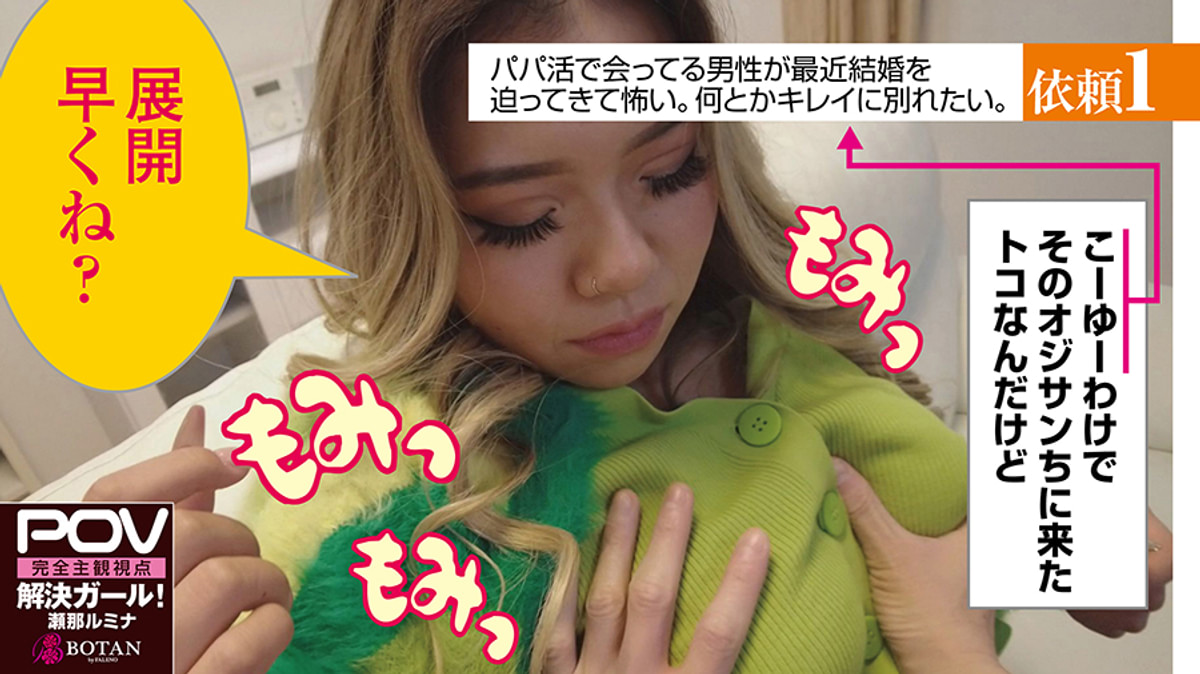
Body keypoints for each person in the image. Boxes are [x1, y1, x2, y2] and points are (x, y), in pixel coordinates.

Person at [84, 0, 1172, 671]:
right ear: (413, 214)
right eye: (523, 219)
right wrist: (65, 610)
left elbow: (990, 508)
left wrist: (1071, 537)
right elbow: (89, 622)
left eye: (669, 171)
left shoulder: (779, 313)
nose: (627, 268)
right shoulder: (384, 483)